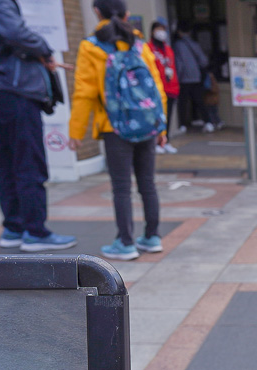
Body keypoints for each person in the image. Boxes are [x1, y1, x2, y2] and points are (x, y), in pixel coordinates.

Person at [0, 0, 77, 251]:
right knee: (28, 161)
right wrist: (44, 50)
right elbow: (16, 33)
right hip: (13, 89)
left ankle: (14, 228)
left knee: (10, 160)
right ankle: (35, 232)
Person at [67, 0, 168, 261]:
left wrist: (76, 132)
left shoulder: (90, 46)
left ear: (96, 12)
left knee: (121, 187)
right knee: (148, 183)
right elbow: (156, 86)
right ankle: (152, 237)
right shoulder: (138, 42)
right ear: (126, 14)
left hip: (114, 127)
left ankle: (126, 242)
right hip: (146, 124)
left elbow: (84, 94)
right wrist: (162, 124)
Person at [173, 22, 213, 134]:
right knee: (199, 100)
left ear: (179, 32)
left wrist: (177, 77)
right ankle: (208, 122)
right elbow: (204, 61)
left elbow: (178, 64)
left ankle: (182, 125)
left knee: (183, 102)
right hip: (196, 77)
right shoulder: (194, 44)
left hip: (184, 78)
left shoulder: (178, 45)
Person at [149, 20, 180, 154]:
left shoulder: (168, 49)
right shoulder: (148, 48)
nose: (162, 32)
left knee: (168, 117)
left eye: (164, 29)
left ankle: (166, 141)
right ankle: (156, 142)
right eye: (159, 29)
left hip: (171, 88)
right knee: (157, 117)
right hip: (156, 89)